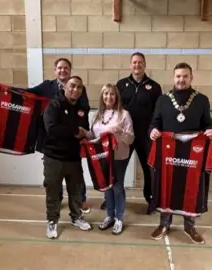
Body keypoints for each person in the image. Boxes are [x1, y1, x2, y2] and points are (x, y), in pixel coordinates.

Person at [148, 62, 212, 244]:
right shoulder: (163, 100)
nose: (181, 79)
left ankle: (190, 226)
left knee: (192, 186)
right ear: (173, 78)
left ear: (191, 78)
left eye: (185, 76)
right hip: (168, 152)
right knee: (166, 185)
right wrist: (153, 131)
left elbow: (207, 123)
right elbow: (155, 123)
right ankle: (164, 223)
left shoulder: (201, 99)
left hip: (192, 153)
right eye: (178, 76)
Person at [25, 58, 91, 213]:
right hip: (53, 140)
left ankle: (80, 202)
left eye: (66, 68)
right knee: (54, 177)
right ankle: (57, 201)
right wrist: (5, 90)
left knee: (76, 176)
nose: (63, 70)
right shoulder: (47, 86)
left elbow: (84, 109)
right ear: (55, 70)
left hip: (73, 142)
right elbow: (28, 92)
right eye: (60, 68)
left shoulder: (79, 88)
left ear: (70, 70)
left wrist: (81, 130)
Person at [108, 52, 162, 214]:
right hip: (124, 136)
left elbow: (158, 113)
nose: (137, 65)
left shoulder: (154, 86)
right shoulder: (121, 84)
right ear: (130, 65)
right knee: (117, 167)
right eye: (134, 62)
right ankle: (111, 199)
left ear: (144, 65)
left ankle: (152, 199)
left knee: (149, 169)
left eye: (140, 62)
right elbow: (114, 108)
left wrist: (155, 131)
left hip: (146, 136)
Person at [42, 75, 92, 239]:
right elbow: (52, 128)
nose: (75, 89)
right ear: (65, 87)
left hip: (74, 157)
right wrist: (74, 131)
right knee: (53, 192)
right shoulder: (54, 105)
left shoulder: (83, 108)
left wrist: (85, 133)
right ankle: (52, 220)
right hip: (54, 157)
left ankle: (76, 217)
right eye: (72, 86)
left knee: (76, 190)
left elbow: (84, 129)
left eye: (78, 87)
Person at [84, 84, 134, 235]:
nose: (109, 97)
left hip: (119, 156)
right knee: (107, 186)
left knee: (117, 186)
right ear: (102, 96)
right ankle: (110, 215)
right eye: (106, 94)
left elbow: (131, 138)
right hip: (103, 157)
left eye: (112, 94)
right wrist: (84, 134)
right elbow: (94, 136)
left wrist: (119, 132)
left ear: (116, 96)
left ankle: (119, 218)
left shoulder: (124, 114)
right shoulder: (97, 115)